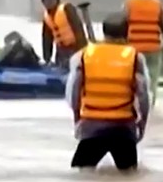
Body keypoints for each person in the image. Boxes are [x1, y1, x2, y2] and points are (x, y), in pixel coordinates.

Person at [65, 12, 152, 172]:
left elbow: (73, 92)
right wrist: (142, 125)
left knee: (82, 174)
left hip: (91, 125)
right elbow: (144, 95)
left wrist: (77, 120)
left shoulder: (83, 56)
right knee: (129, 175)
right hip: (123, 128)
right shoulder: (135, 58)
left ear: (104, 33)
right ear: (127, 33)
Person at [123, 0, 163, 105]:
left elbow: (122, 25)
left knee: (134, 76)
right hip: (153, 48)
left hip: (134, 49)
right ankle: (150, 101)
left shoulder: (129, 4)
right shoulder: (157, 4)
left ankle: (135, 101)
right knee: (152, 77)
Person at [41, 0, 87, 68]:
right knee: (60, 70)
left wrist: (82, 50)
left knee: (75, 71)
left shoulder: (66, 8)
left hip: (75, 48)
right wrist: (47, 58)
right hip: (61, 51)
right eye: (45, 0)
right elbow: (47, 38)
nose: (48, 2)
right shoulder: (46, 17)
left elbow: (78, 28)